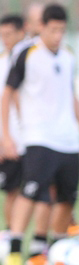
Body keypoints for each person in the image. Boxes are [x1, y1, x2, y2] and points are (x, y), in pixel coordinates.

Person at [1, 3, 79, 265]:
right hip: (38, 137)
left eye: (62, 30)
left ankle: (55, 251)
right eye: (53, 30)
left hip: (68, 140)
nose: (57, 35)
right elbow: (7, 94)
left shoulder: (68, 55)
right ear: (41, 27)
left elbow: (72, 96)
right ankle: (15, 251)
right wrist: (7, 135)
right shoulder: (27, 54)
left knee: (67, 199)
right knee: (30, 192)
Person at [0, 14, 26, 232]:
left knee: (46, 190)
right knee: (13, 191)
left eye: (9, 34)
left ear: (21, 32)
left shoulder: (31, 59)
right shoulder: (1, 63)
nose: (5, 39)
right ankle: (10, 236)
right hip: (11, 140)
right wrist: (3, 140)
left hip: (35, 138)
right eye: (2, 35)